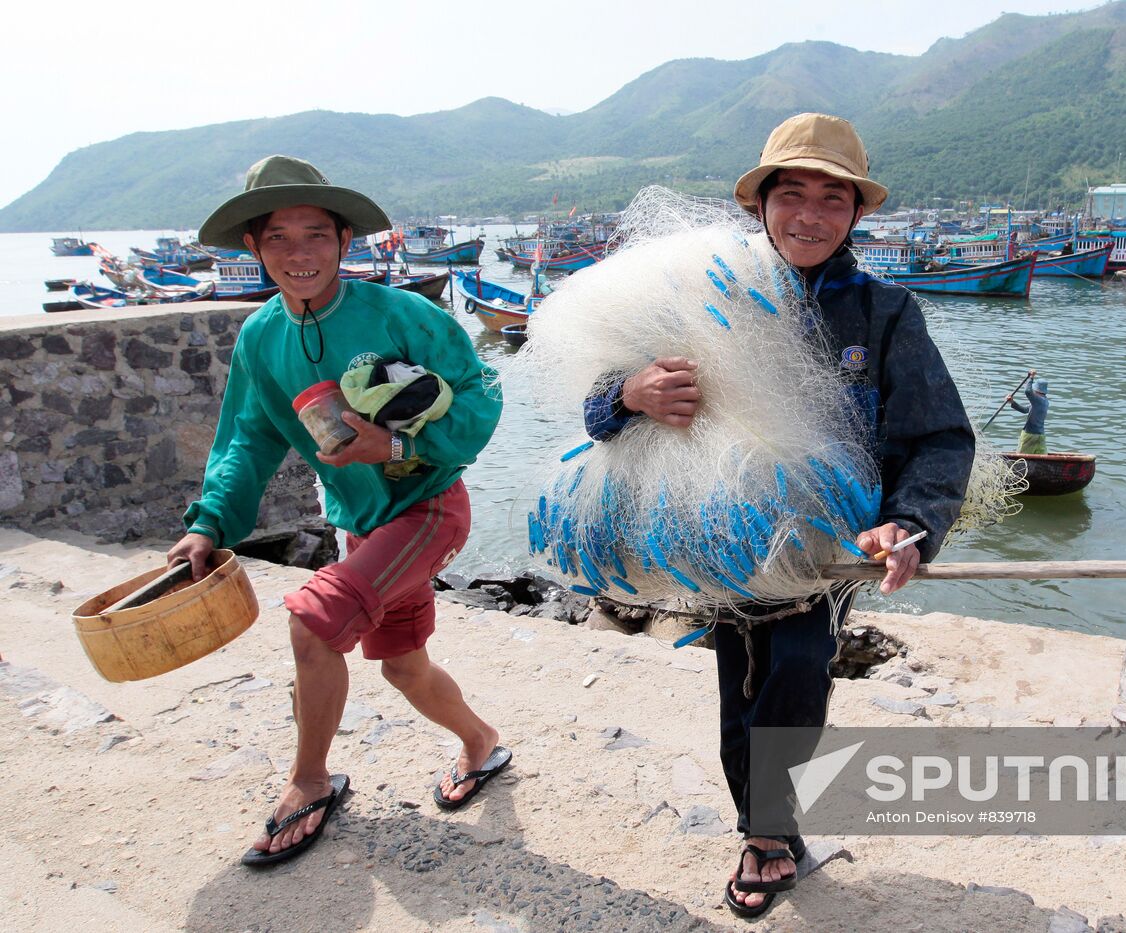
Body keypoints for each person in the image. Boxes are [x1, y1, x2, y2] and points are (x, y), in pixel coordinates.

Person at [583, 113, 975, 917]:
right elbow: (594, 409)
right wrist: (630, 394)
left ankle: (768, 832)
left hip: (832, 544)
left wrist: (906, 522)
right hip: (722, 541)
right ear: (758, 205)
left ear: (856, 215)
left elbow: (938, 436)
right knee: (744, 676)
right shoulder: (699, 299)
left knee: (796, 666)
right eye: (790, 194)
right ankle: (767, 826)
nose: (810, 215)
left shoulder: (886, 313)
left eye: (833, 199)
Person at [169, 155, 510, 868]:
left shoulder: (401, 314)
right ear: (255, 248)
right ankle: (482, 744)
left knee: (312, 621)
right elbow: (247, 438)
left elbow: (481, 399)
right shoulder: (261, 338)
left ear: (345, 241)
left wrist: (392, 440)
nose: (300, 253)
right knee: (404, 668)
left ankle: (309, 782)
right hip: (358, 525)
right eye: (280, 238)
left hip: (429, 507)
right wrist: (209, 523)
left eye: (316, 234)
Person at [1007, 376, 1050, 454]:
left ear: (1037, 391)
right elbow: (1025, 410)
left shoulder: (1038, 400)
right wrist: (1012, 402)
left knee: (1020, 457)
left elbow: (1027, 391)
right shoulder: (1044, 401)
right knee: (1042, 457)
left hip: (1030, 435)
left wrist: (1031, 378)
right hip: (1040, 435)